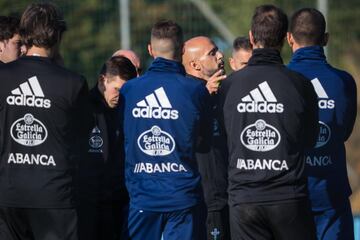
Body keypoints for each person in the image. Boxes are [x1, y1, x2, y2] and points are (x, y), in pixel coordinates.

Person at [219, 5, 319, 240]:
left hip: (244, 200)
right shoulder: (300, 84)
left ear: (252, 37)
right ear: (286, 38)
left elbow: (223, 139)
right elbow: (310, 139)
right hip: (289, 198)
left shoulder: (230, 86)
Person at [0, 3, 91, 240]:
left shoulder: (3, 76)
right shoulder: (73, 82)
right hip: (54, 196)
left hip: (7, 194)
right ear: (58, 35)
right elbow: (83, 134)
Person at [120, 19, 210, 240]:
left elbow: (123, 136)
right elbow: (204, 141)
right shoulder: (195, 90)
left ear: (150, 50)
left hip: (143, 197)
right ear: (182, 50)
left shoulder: (130, 90)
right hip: (182, 196)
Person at [287, 8, 357, 240]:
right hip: (331, 191)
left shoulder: (279, 79)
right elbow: (344, 131)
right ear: (325, 39)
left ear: (289, 38)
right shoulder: (344, 81)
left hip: (289, 193)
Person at [78, 56, 137, 240]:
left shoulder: (128, 108)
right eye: (117, 89)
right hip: (92, 204)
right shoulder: (83, 109)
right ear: (103, 80)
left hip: (122, 201)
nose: (120, 96)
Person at [182, 36, 229, 240]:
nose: (221, 55)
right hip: (205, 199)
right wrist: (203, 96)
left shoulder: (224, 91)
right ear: (195, 64)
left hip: (230, 197)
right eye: (212, 53)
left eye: (218, 50)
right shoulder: (185, 95)